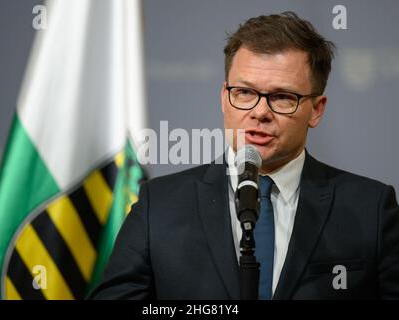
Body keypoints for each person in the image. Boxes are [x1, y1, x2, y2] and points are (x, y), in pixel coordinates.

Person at [89, 11, 399, 299]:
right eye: (245, 93)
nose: (259, 112)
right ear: (225, 98)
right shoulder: (159, 206)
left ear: (316, 110)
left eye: (282, 97)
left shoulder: (369, 208)